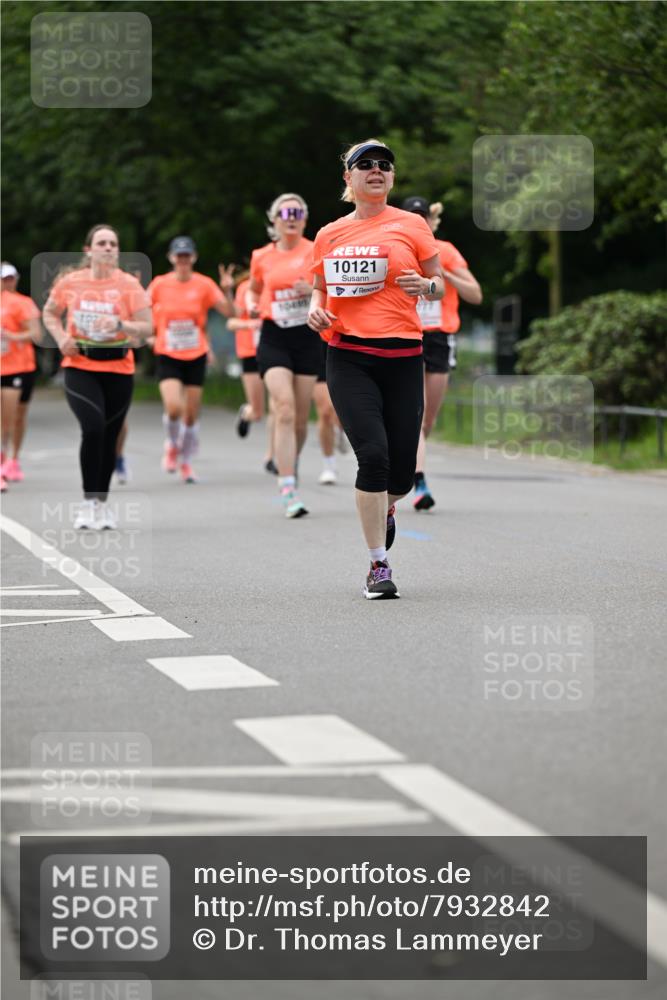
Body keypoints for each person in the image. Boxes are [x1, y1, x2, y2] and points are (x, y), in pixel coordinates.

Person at [308, 140, 444, 599]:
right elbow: (319, 289)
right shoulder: (329, 234)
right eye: (364, 164)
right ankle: (378, 566)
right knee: (374, 455)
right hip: (349, 356)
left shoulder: (412, 225)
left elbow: (439, 283)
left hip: (404, 356)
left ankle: (386, 506)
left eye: (384, 165)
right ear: (348, 178)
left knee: (401, 476)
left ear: (392, 177)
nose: (375, 170)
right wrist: (315, 311)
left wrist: (426, 285)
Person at [42, 224, 152, 529]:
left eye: (113, 244)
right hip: (81, 365)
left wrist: (121, 324)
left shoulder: (129, 285)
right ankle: (87, 503)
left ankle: (101, 504)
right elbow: (50, 313)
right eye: (101, 243)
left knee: (109, 436)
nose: (108, 248)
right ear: (88, 250)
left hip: (119, 368)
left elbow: (147, 328)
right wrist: (61, 336)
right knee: (92, 429)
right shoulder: (70, 282)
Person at [402, 197, 482, 510]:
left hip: (440, 340)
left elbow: (476, 295)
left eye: (423, 216)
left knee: (427, 420)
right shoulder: (396, 249)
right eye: (412, 216)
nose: (418, 221)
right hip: (407, 335)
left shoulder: (445, 252)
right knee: (415, 414)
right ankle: (419, 482)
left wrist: (444, 276)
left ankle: (412, 460)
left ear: (431, 221)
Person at [248, 193, 318, 517]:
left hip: (307, 337)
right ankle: (287, 485)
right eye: (284, 212)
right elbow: (254, 288)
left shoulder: (316, 249)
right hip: (274, 336)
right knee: (285, 409)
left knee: (301, 419)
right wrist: (251, 302)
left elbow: (332, 287)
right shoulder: (261, 256)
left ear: (304, 219)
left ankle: (291, 461)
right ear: (274, 220)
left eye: (297, 212)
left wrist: (314, 290)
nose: (291, 217)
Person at [148, 237, 235, 483]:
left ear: (193, 258)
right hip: (168, 353)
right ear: (171, 258)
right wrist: (149, 335)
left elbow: (230, 312)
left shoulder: (204, 285)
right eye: (179, 256)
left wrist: (228, 290)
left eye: (187, 256)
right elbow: (141, 309)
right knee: (174, 408)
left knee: (191, 414)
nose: (183, 261)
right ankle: (172, 445)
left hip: (196, 353)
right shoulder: (159, 285)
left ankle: (185, 461)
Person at [229, 269, 276, 472]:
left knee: (277, 406)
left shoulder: (279, 287)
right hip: (250, 352)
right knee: (258, 412)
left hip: (275, 352)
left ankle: (272, 456)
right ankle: (246, 414)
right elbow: (232, 322)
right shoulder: (244, 289)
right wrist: (251, 324)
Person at [1, 262, 41, 490]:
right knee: (4, 419)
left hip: (18, 367)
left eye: (11, 278)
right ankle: (3, 461)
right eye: (4, 278)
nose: (8, 282)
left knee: (15, 417)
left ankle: (13, 459)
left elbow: (36, 334)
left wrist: (11, 336)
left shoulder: (23, 303)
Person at [313, 340, 340, 485]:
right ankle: (329, 464)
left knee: (340, 412)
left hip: (345, 343)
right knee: (325, 411)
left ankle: (341, 430)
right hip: (318, 347)